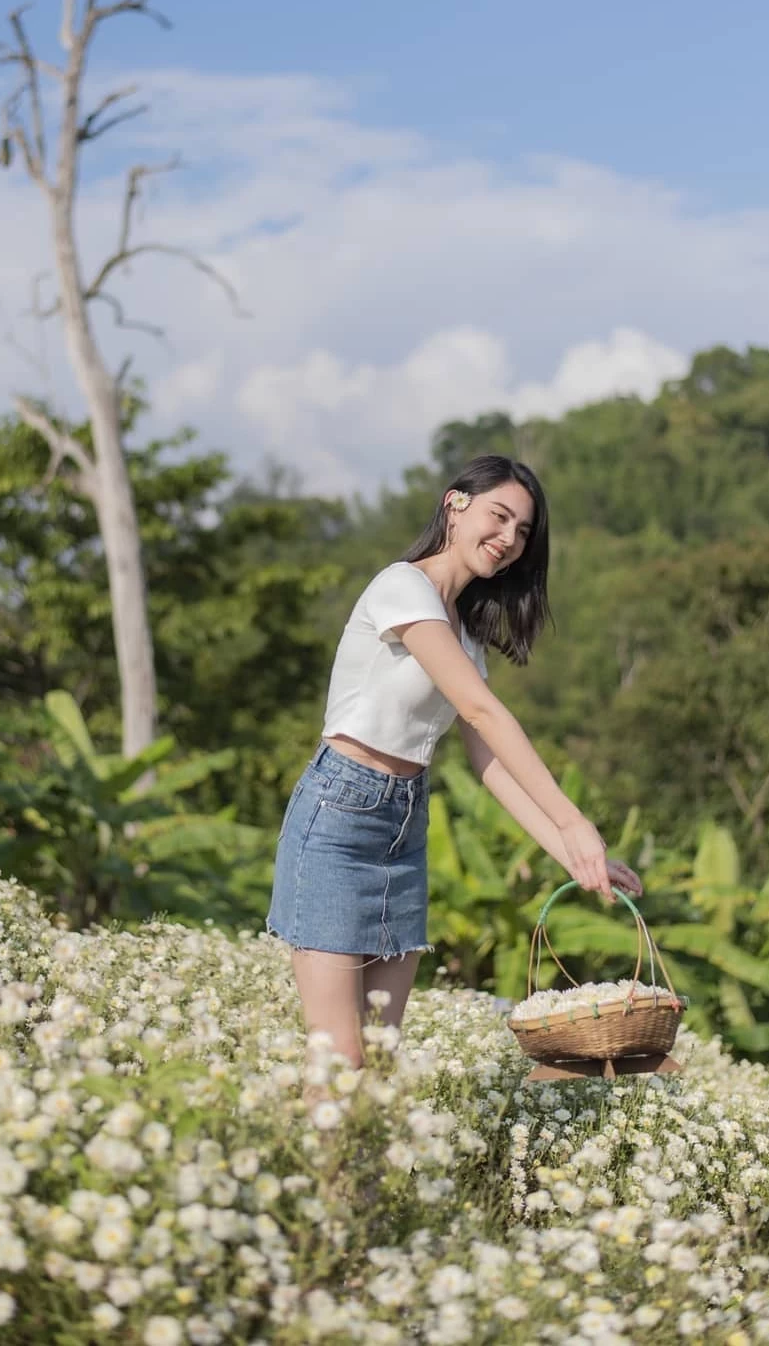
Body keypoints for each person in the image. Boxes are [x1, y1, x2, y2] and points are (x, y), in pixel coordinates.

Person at [266, 454, 643, 1076]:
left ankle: (363, 1180)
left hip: (403, 828)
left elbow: (488, 762)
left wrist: (576, 854)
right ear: (454, 503)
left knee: (383, 1063)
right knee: (341, 1063)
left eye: (523, 533)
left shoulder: (465, 635)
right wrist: (577, 822)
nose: (509, 541)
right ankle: (316, 1175)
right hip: (337, 819)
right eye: (500, 517)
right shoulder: (402, 587)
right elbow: (480, 709)